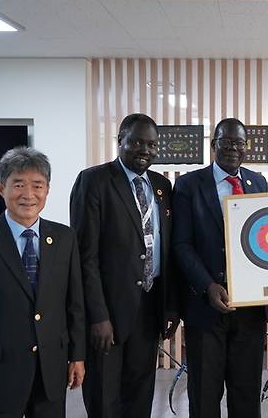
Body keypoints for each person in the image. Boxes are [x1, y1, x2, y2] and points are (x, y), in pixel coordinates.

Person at [0, 146, 85, 418]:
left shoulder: (64, 239)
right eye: (18, 184)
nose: (28, 194)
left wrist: (77, 355)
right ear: (1, 188)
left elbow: (75, 304)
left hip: (51, 370)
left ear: (47, 189)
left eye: (37, 185)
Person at [70, 114, 179, 418]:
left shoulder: (161, 186)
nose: (145, 149)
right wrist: (98, 315)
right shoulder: (94, 181)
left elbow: (167, 251)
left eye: (152, 144)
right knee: (105, 398)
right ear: (120, 140)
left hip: (149, 307)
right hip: (109, 313)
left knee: (140, 394)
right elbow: (84, 256)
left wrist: (170, 306)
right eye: (137, 142)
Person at [172, 118, 268, 418]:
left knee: (246, 393)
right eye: (225, 142)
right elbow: (182, 244)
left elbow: (266, 239)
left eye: (239, 143)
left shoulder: (258, 183)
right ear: (213, 145)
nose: (232, 149)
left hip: (251, 310)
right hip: (206, 308)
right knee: (204, 394)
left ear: (246, 148)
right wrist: (208, 285)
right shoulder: (189, 185)